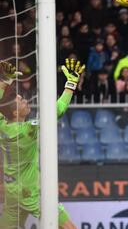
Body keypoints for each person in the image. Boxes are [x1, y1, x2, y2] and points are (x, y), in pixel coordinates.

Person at [0, 59, 84, 229]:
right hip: (30, 192)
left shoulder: (3, 124)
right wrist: (70, 85)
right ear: (15, 112)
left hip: (12, 191)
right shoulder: (26, 130)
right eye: (20, 101)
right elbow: (57, 111)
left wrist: (5, 82)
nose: (25, 100)